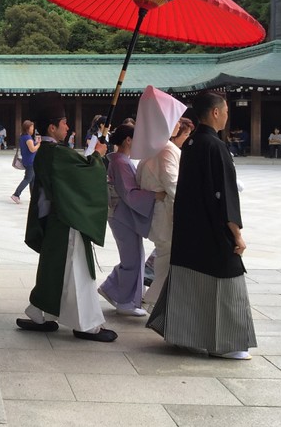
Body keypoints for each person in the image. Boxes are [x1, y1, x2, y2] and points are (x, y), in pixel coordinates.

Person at [147, 91, 256, 360]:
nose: (228, 115)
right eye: (227, 110)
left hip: (190, 229)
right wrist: (236, 234)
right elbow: (224, 194)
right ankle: (227, 344)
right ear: (216, 112)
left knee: (189, 282)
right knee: (226, 282)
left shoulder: (192, 143)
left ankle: (185, 336)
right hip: (212, 230)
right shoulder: (216, 147)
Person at [15, 92, 116, 342]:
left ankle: (40, 314)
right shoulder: (56, 153)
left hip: (55, 221)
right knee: (77, 271)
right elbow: (85, 173)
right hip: (67, 220)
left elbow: (77, 167)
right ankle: (87, 324)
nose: (68, 127)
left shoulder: (51, 152)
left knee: (53, 270)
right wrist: (99, 156)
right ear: (52, 127)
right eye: (64, 123)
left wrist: (96, 152)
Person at [131, 86, 189, 307]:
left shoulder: (153, 149)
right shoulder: (166, 150)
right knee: (166, 261)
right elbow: (173, 185)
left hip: (157, 213)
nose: (178, 124)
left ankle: (152, 301)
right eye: (175, 120)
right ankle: (152, 302)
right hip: (166, 215)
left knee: (164, 260)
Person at [99, 124, 164, 317]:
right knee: (132, 259)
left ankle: (113, 290)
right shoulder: (121, 162)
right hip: (122, 215)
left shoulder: (120, 161)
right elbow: (130, 194)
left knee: (133, 257)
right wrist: (154, 195)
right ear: (128, 140)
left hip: (121, 214)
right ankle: (124, 301)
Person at [10, 120, 40, 204]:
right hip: (31, 161)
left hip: (27, 160)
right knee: (28, 179)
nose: (33, 129)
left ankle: (34, 197)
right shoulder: (27, 138)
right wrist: (38, 144)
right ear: (28, 128)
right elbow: (32, 149)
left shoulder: (23, 137)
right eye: (32, 127)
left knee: (33, 179)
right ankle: (16, 194)